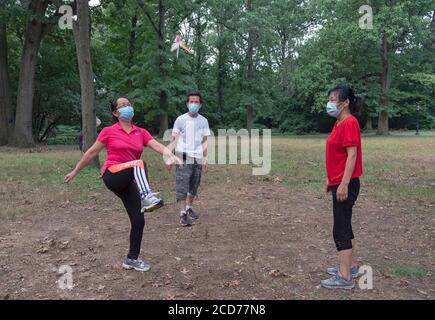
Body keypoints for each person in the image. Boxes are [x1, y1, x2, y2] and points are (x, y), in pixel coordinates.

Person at [64, 97, 181, 272]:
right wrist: (75, 170)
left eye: (129, 104)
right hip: (112, 175)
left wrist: (169, 154)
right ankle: (147, 197)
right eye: (122, 106)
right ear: (115, 113)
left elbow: (156, 145)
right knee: (139, 163)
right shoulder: (109, 131)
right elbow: (91, 152)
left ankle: (131, 259)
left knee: (138, 220)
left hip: (129, 179)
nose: (127, 107)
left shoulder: (140, 132)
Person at [321, 85, 364, 289]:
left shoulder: (349, 123)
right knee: (345, 224)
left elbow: (352, 155)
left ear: (345, 102)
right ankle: (351, 266)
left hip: (346, 183)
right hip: (339, 181)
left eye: (333, 99)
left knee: (340, 228)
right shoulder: (339, 122)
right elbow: (337, 155)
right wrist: (332, 181)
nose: (329, 103)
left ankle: (345, 277)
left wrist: (344, 183)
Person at [168, 91, 210, 227]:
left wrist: (205, 158)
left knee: (194, 185)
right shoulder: (180, 119)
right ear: (187, 104)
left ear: (200, 104)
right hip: (183, 157)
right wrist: (169, 156)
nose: (193, 104)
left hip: (197, 158)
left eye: (196, 102)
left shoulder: (204, 121)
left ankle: (188, 207)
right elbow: (173, 138)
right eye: (191, 102)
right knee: (182, 185)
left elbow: (205, 141)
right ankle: (182, 214)